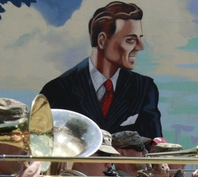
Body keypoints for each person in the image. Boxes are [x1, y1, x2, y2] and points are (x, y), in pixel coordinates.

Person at [40, 2, 162, 139]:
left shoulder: (144, 88)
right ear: (102, 41)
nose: (140, 47)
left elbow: (154, 146)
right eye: (130, 40)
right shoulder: (57, 91)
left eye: (140, 39)